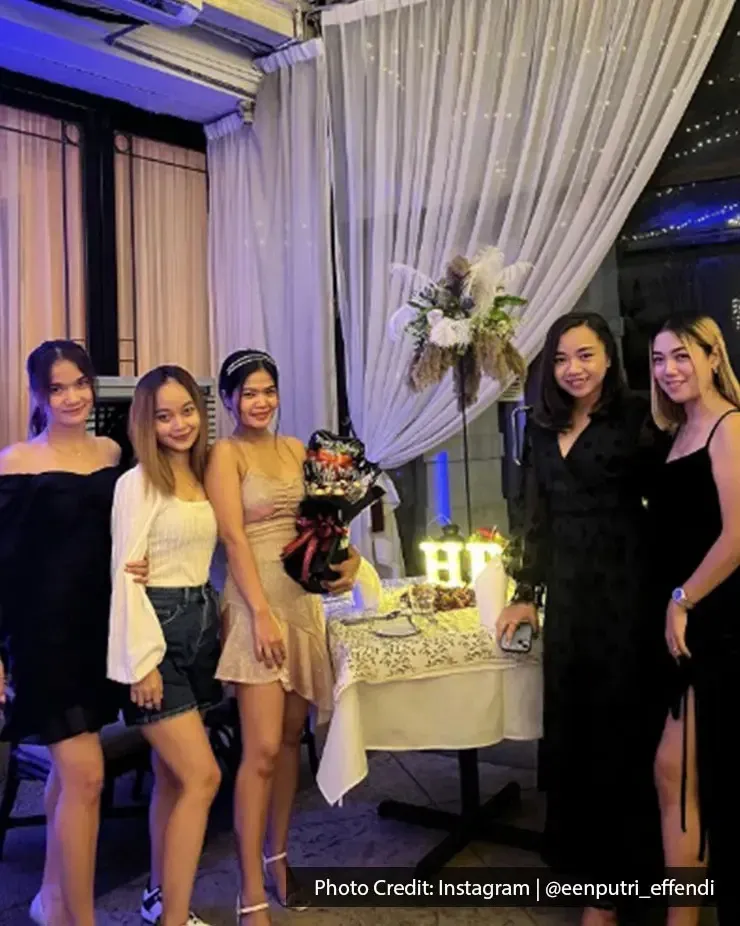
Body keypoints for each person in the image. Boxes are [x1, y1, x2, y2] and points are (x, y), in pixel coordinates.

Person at [496, 312, 667, 926]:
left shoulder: (639, 415)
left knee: (623, 739)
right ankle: (591, 886)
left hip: (628, 590)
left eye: (587, 356)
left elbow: (672, 499)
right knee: (573, 737)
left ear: (610, 358)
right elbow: (533, 517)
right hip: (568, 596)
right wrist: (523, 590)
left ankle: (628, 889)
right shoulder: (541, 427)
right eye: (564, 358)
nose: (575, 369)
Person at [204, 349, 374, 925]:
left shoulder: (298, 448)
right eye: (248, 393)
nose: (260, 402)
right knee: (258, 754)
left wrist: (345, 561)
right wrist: (259, 614)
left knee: (286, 747)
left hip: (301, 601)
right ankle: (248, 886)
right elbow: (230, 539)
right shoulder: (224, 454)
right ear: (229, 399)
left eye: (267, 391)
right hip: (256, 604)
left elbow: (321, 522)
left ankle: (279, 856)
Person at [0, 340, 146, 926]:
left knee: (69, 774)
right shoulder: (14, 461)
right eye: (57, 388)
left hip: (99, 630)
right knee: (86, 773)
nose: (73, 397)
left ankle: (51, 901)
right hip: (41, 637)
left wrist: (141, 563)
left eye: (80, 383)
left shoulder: (112, 451)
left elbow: (129, 532)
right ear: (37, 394)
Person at [108, 365, 224, 926]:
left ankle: (158, 898)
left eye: (186, 411)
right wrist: (140, 662)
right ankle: (175, 919)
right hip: (155, 631)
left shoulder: (202, 475)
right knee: (204, 776)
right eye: (163, 415)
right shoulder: (137, 483)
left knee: (175, 776)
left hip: (199, 625)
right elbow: (123, 578)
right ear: (145, 423)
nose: (178, 424)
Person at [649, 313, 740, 925]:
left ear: (713, 355)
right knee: (677, 774)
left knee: (682, 773)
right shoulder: (679, 430)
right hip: (686, 616)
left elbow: (738, 536)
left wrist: (683, 599)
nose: (669, 370)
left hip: (718, 615)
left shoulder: (730, 426)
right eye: (658, 359)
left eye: (681, 355)